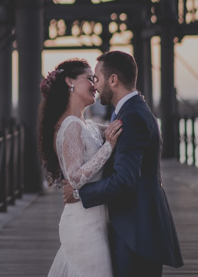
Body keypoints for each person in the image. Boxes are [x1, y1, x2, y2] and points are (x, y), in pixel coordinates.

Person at [63, 51, 183, 277]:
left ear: (113, 80)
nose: (94, 85)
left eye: (96, 78)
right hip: (136, 225)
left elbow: (124, 180)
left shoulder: (132, 117)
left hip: (137, 231)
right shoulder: (130, 111)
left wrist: (79, 194)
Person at [39, 58, 123, 277]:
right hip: (83, 227)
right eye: (89, 79)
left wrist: (131, 102)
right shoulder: (71, 125)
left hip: (95, 222)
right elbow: (75, 179)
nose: (95, 85)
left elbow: (120, 127)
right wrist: (109, 147)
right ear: (70, 82)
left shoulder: (87, 125)